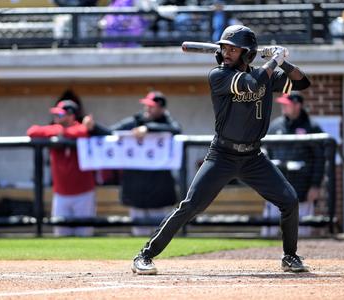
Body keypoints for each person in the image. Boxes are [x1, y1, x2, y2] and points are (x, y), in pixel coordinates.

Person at [131, 24, 311, 275]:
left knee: (289, 200)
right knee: (191, 205)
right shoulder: (219, 75)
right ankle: (145, 255)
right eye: (224, 48)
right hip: (223, 155)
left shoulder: (264, 74)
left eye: (233, 49)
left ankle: (289, 257)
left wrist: (283, 63)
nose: (226, 53)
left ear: (247, 53)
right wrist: (273, 62)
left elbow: (302, 84)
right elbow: (251, 83)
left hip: (253, 157)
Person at [27, 100, 108, 237]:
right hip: (61, 194)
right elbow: (32, 131)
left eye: (60, 114)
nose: (56, 117)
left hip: (84, 193)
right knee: (61, 236)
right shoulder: (55, 130)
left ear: (71, 116)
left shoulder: (81, 129)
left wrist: (61, 132)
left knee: (84, 235)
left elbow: (82, 131)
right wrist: (59, 131)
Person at [111, 91, 181, 236]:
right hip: (135, 188)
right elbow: (111, 131)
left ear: (162, 109)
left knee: (160, 234)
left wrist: (148, 129)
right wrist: (92, 127)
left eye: (152, 106)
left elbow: (176, 129)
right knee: (138, 235)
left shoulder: (167, 123)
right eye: (147, 106)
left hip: (159, 190)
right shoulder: (135, 121)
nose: (148, 109)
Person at [261, 91, 325, 238]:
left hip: (302, 187)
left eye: (287, 104)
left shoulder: (312, 127)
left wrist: (315, 186)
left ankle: (299, 256)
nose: (283, 107)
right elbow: (265, 153)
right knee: (268, 230)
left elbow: (320, 159)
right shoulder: (276, 125)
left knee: (301, 231)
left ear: (298, 105)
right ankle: (262, 259)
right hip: (277, 184)